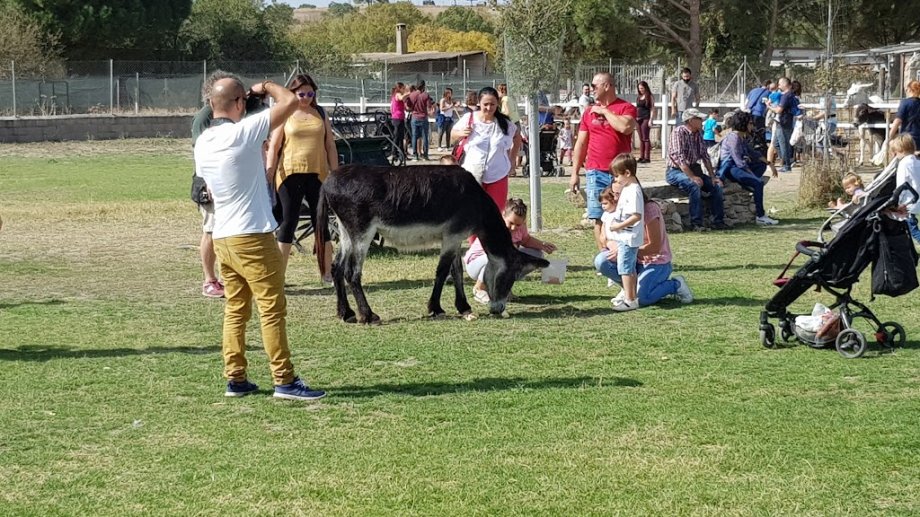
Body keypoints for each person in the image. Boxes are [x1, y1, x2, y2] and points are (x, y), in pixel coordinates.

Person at [194, 74, 325, 401]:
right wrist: (265, 87)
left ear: (211, 104)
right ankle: (285, 379)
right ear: (239, 103)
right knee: (271, 308)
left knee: (236, 309)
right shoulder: (243, 132)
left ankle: (235, 377)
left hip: (223, 236)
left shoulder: (203, 142)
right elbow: (291, 102)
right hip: (251, 233)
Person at [190, 70, 271, 299]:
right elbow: (201, 148)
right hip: (212, 181)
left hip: (237, 181)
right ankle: (209, 279)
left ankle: (233, 276)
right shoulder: (205, 117)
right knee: (210, 229)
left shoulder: (243, 112)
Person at [266, 74, 338, 281]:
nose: (305, 98)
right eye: (301, 94)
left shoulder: (320, 113)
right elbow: (274, 145)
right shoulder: (285, 114)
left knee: (321, 222)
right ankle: (279, 275)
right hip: (289, 173)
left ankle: (326, 272)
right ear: (292, 93)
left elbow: (330, 145)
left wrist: (337, 172)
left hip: (317, 174)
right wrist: (270, 170)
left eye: (310, 93)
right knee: (288, 222)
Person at [594, 181, 693, 307]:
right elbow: (605, 235)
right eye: (614, 194)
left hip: (654, 261)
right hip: (633, 259)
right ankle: (628, 289)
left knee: (643, 299)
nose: (616, 199)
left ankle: (675, 284)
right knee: (601, 260)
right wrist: (610, 243)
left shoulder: (648, 209)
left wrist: (624, 250)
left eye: (619, 194)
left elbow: (654, 247)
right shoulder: (617, 210)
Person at [568, 72, 638, 251]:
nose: (591, 89)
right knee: (598, 216)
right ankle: (604, 258)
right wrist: (575, 173)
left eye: (594, 86)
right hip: (595, 171)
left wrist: (605, 111)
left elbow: (625, 127)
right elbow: (581, 143)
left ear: (607, 86)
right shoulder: (588, 112)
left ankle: (622, 253)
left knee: (624, 214)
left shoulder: (626, 107)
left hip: (622, 173)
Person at [464, 197, 556, 304]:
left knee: (536, 255)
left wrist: (543, 245)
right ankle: (480, 288)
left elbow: (526, 240)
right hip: (477, 264)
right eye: (511, 223)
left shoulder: (520, 227)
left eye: (518, 225)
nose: (514, 228)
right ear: (503, 215)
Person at [451, 86, 522, 210]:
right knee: (472, 215)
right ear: (479, 102)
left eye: (492, 104)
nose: (489, 108)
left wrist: (512, 161)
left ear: (497, 104)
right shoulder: (469, 118)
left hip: (498, 175)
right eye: (486, 104)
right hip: (472, 175)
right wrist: (461, 133)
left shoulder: (504, 123)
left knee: (494, 215)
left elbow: (517, 137)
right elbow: (453, 134)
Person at [665, 108, 727, 231]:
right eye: (698, 118)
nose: (701, 121)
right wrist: (692, 177)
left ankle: (718, 221)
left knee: (716, 186)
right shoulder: (678, 133)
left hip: (693, 169)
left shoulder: (698, 134)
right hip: (675, 171)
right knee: (694, 186)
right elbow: (679, 158)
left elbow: (705, 156)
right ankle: (696, 223)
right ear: (690, 120)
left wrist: (713, 176)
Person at [717, 111, 779, 225]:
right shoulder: (733, 138)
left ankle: (748, 182)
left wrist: (769, 163)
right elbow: (738, 161)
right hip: (731, 168)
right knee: (758, 183)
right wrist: (752, 175)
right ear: (743, 124)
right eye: (750, 123)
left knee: (761, 165)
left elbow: (753, 153)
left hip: (739, 166)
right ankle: (760, 215)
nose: (752, 126)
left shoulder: (741, 138)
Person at [601, 154, 644, 312]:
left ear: (627, 173)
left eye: (617, 175)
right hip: (624, 237)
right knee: (627, 268)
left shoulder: (634, 191)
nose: (615, 179)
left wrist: (619, 226)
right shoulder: (627, 189)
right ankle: (630, 296)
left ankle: (630, 299)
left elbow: (636, 216)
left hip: (628, 237)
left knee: (625, 268)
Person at [890, 134, 920, 242]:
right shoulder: (917, 162)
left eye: (895, 152)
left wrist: (897, 201)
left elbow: (902, 185)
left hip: (908, 202)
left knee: (913, 230)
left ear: (900, 150)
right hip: (917, 199)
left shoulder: (903, 164)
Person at [767, 77, 798, 173]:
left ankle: (786, 165)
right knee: (776, 143)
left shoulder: (786, 96)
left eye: (780, 84)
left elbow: (778, 110)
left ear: (785, 84)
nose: (778, 86)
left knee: (783, 144)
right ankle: (786, 161)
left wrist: (768, 106)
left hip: (783, 123)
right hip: (785, 122)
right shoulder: (789, 95)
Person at [888, 80, 920, 151]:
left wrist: (889, 137)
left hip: (907, 139)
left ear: (909, 89)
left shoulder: (905, 103)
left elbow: (897, 121)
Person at [408, 80, 434, 161]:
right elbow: (429, 107)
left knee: (414, 136)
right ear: (424, 86)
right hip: (423, 117)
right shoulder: (425, 95)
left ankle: (415, 155)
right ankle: (425, 155)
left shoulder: (412, 95)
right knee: (425, 137)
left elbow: (408, 106)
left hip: (414, 117)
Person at [635, 81, 655, 163]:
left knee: (645, 138)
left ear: (646, 88)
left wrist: (651, 119)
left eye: (642, 88)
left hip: (646, 118)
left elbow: (652, 108)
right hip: (638, 118)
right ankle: (641, 156)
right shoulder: (638, 97)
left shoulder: (649, 97)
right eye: (639, 89)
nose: (641, 90)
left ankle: (647, 157)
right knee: (641, 139)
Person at [390, 82, 409, 162]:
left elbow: (404, 105)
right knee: (396, 136)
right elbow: (401, 98)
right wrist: (409, 93)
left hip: (400, 118)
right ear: (400, 88)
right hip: (397, 118)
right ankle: (393, 153)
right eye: (403, 88)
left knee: (401, 137)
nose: (404, 89)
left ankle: (402, 154)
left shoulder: (399, 96)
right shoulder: (397, 94)